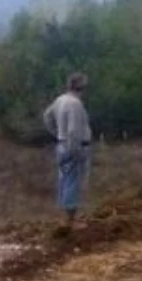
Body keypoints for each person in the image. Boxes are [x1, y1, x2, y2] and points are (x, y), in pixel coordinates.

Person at [42, 72, 92, 225]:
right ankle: (70, 220)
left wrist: (57, 133)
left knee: (65, 180)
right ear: (81, 87)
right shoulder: (75, 104)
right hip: (74, 146)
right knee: (73, 182)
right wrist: (75, 148)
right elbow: (73, 130)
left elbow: (47, 116)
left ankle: (67, 216)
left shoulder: (60, 100)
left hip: (62, 144)